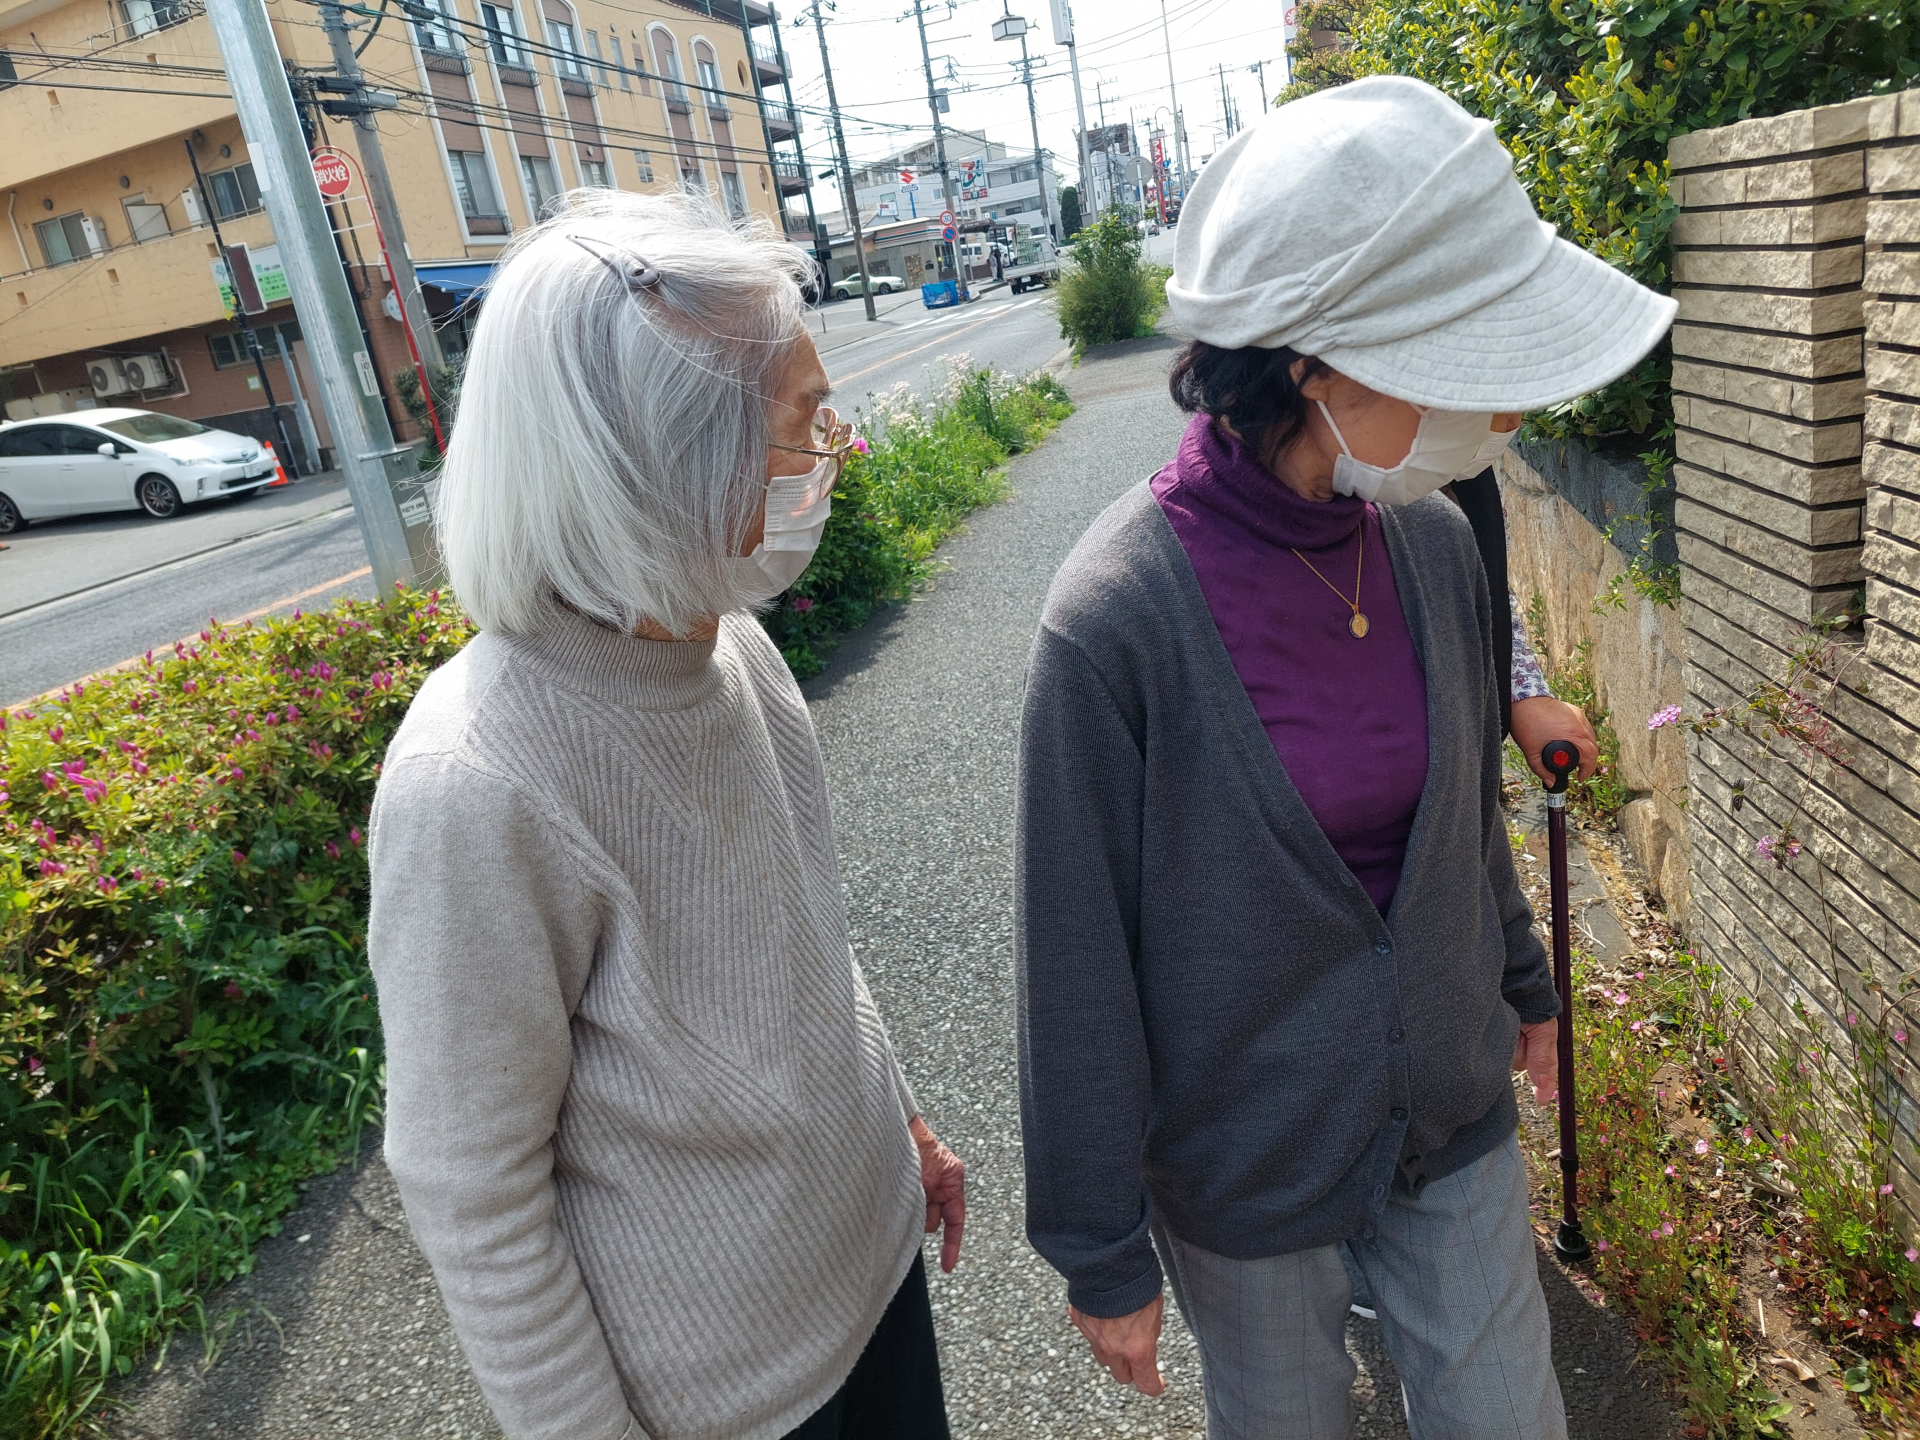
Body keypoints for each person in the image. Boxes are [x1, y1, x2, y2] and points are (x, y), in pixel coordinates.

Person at [1015, 76, 1677, 1439]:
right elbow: (1074, 958)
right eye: (1460, 361)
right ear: (1314, 363)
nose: (1498, 418)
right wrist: (1097, 1246)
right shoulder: (1114, 621)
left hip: (1452, 1108)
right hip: (1247, 1170)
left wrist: (1523, 982)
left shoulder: (1431, 543)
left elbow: (1464, 827)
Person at [367, 190, 964, 1440]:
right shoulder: (475, 781)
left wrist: (900, 1120)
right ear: (661, 462)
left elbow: (809, 936)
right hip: (725, 1396)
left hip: (873, 1263)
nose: (836, 451)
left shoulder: (728, 644)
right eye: (802, 424)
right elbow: (474, 1192)